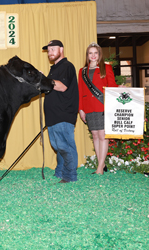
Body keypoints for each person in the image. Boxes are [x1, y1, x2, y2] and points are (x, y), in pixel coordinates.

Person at [78, 42, 119, 175]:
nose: (93, 55)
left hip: (102, 105)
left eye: (96, 53)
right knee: (95, 135)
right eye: (91, 53)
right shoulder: (82, 71)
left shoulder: (106, 68)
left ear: (99, 54)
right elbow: (80, 90)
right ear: (87, 55)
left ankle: (100, 167)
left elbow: (111, 86)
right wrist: (81, 109)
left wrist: (120, 88)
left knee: (102, 135)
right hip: (88, 107)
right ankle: (101, 164)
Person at [42, 40, 79, 183]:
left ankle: (70, 176)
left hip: (63, 113)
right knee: (58, 146)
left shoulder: (66, 66)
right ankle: (60, 172)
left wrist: (43, 79)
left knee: (65, 146)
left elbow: (62, 87)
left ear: (61, 49)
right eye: (49, 50)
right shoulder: (55, 68)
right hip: (54, 114)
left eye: (53, 49)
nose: (50, 53)